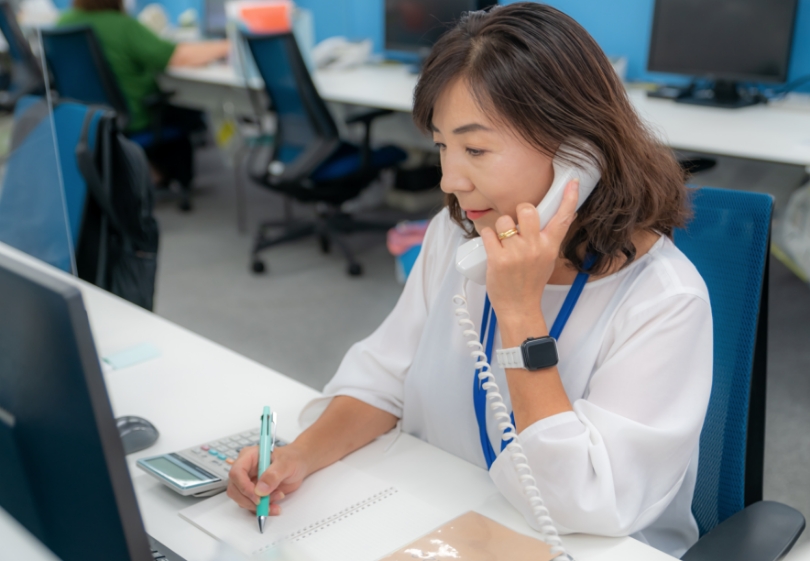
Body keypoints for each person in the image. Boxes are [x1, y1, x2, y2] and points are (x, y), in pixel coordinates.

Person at [227, 3, 713, 558]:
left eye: (475, 149)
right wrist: (299, 455)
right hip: (444, 523)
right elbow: (383, 378)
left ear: (578, 153)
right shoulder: (458, 236)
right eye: (442, 146)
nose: (450, 180)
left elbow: (586, 505)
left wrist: (521, 314)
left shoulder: (664, 300)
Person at [57, 0, 229, 191]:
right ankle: (164, 173)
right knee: (187, 108)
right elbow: (176, 56)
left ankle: (150, 170)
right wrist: (229, 44)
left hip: (87, 116)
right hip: (135, 115)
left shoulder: (64, 22)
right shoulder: (122, 25)